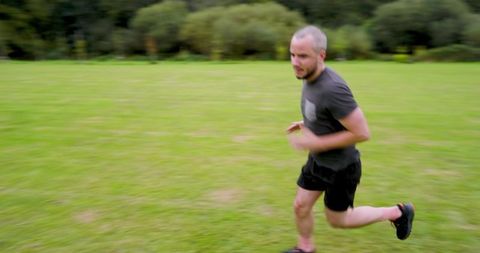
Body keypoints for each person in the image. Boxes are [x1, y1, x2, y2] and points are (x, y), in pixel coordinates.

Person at [283, 25, 415, 253]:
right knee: (300, 206)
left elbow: (362, 132)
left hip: (341, 168)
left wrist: (316, 142)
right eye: (293, 54)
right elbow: (326, 113)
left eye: (302, 55)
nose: (295, 61)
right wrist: (306, 123)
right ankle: (305, 248)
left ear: (321, 55)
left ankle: (397, 212)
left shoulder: (333, 88)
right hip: (318, 160)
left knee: (338, 220)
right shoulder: (308, 74)